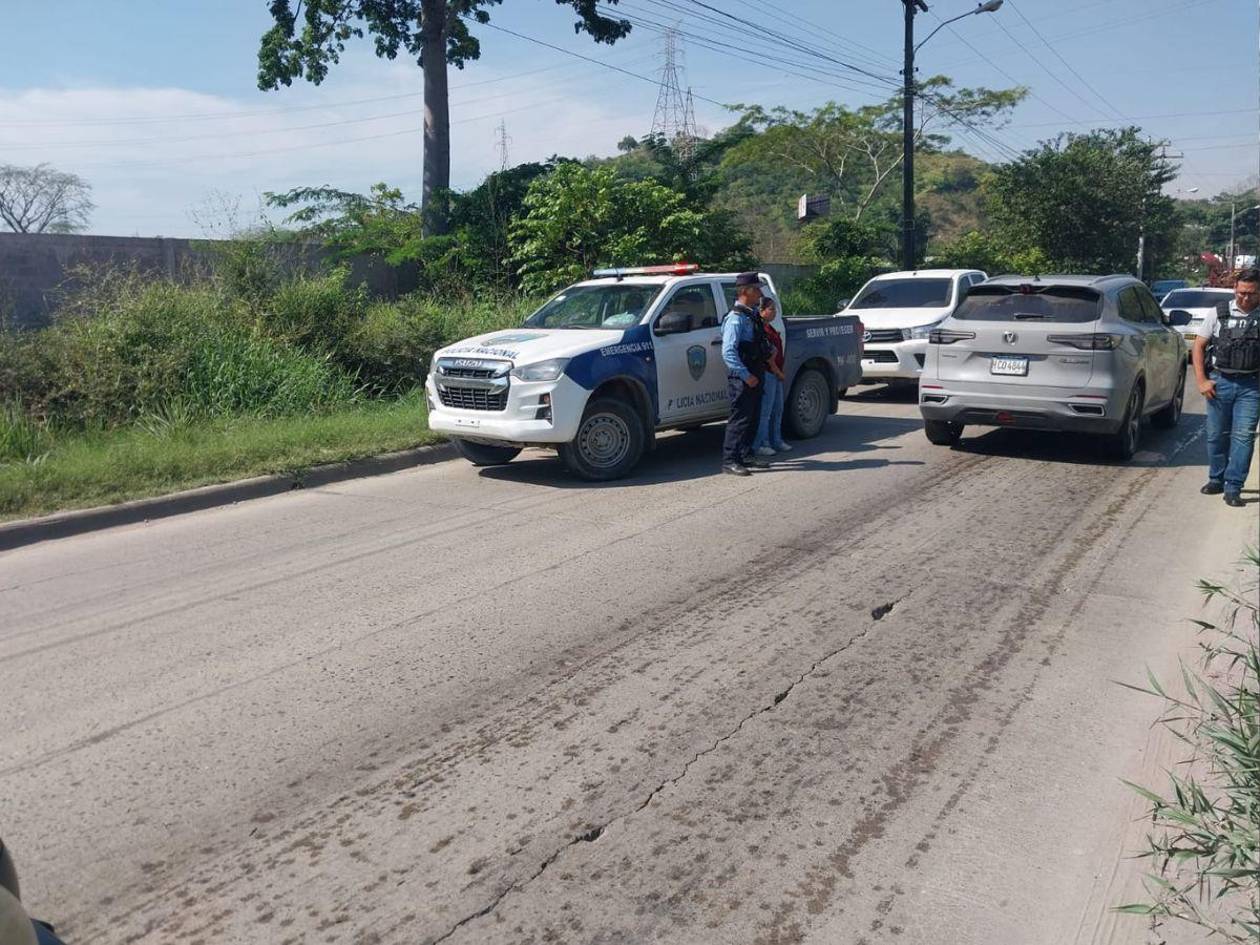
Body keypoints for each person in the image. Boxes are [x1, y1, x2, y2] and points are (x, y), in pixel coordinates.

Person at [1192, 268, 1260, 508]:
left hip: (1252, 386)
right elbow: (1198, 346)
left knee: (1243, 437)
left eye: (1251, 293)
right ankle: (1216, 478)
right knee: (1216, 435)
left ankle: (1233, 487)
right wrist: (1201, 380)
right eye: (1241, 292)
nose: (1245, 298)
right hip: (1220, 382)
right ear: (1235, 289)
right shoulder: (1219, 313)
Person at [720, 272, 772, 476]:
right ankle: (730, 460)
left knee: (753, 417)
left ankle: (745, 454)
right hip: (744, 377)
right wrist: (745, 375)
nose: (760, 293)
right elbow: (728, 352)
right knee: (740, 419)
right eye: (757, 289)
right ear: (747, 291)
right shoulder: (735, 319)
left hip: (755, 372)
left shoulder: (749, 314)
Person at [751, 297, 792, 456]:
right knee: (765, 411)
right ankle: (762, 443)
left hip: (776, 374)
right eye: (771, 309)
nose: (774, 312)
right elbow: (767, 356)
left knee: (778, 409)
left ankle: (777, 440)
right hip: (768, 373)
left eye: (775, 309)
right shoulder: (761, 329)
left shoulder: (771, 328)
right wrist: (777, 371)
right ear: (761, 311)